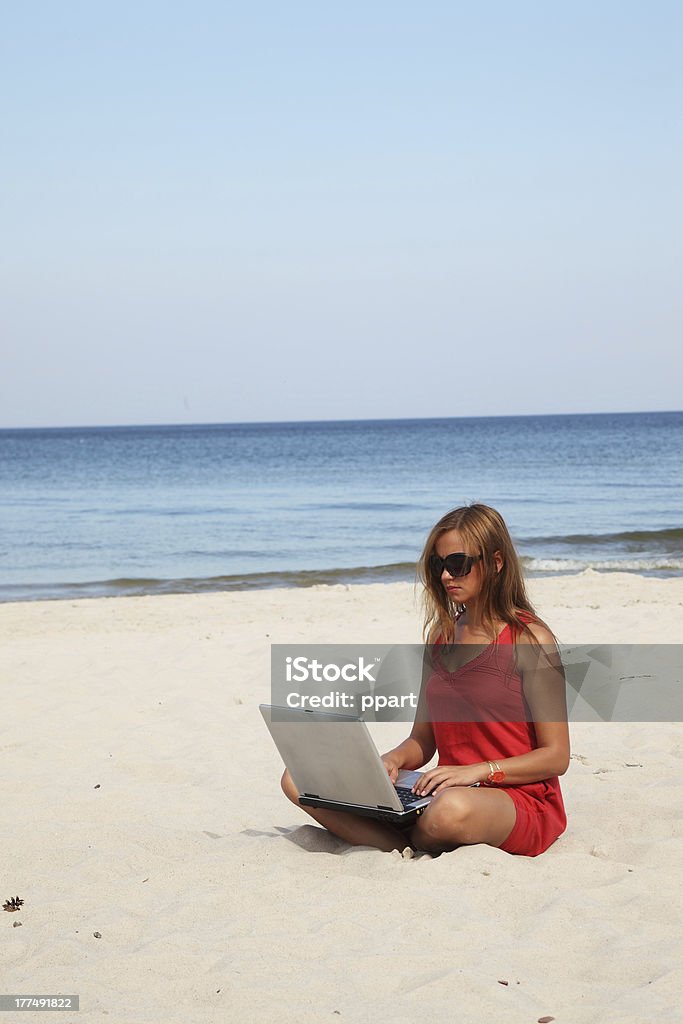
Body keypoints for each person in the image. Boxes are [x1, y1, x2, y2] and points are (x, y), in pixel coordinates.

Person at [280, 503, 569, 856]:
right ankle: (402, 840)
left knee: (449, 811)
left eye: (458, 564)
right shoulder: (441, 636)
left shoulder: (529, 639)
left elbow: (556, 757)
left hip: (516, 797)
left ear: (495, 563)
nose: (447, 576)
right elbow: (423, 740)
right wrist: (391, 761)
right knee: (298, 779)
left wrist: (478, 771)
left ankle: (400, 838)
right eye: (438, 565)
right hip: (444, 789)